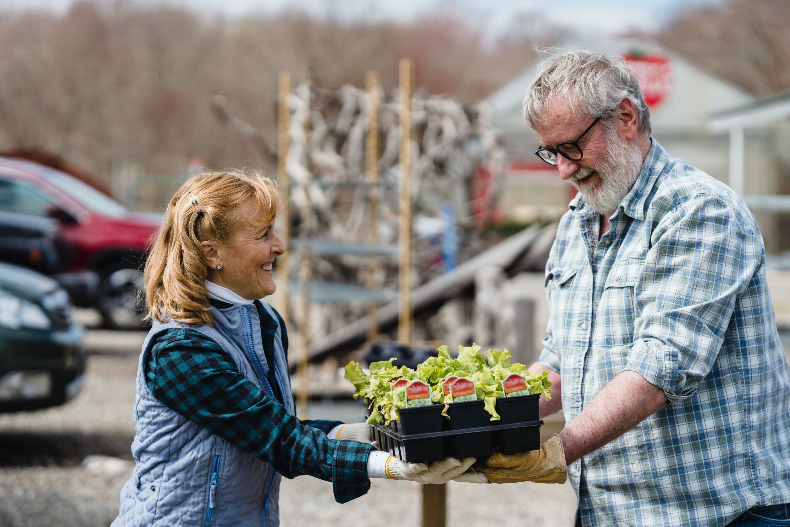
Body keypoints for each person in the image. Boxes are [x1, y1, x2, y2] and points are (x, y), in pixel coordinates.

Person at [463, 51, 790, 526]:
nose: (562, 170)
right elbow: (559, 365)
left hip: (719, 515)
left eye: (571, 146)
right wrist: (479, 423)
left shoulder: (699, 212)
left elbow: (661, 366)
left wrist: (558, 451)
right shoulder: (576, 225)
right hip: (609, 513)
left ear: (626, 117)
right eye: (550, 152)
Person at [112, 170, 474, 527]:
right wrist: (391, 465)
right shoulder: (180, 351)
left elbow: (270, 424)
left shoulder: (264, 321)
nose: (280, 245)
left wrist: (373, 434)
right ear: (212, 253)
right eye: (263, 234)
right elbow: (279, 440)